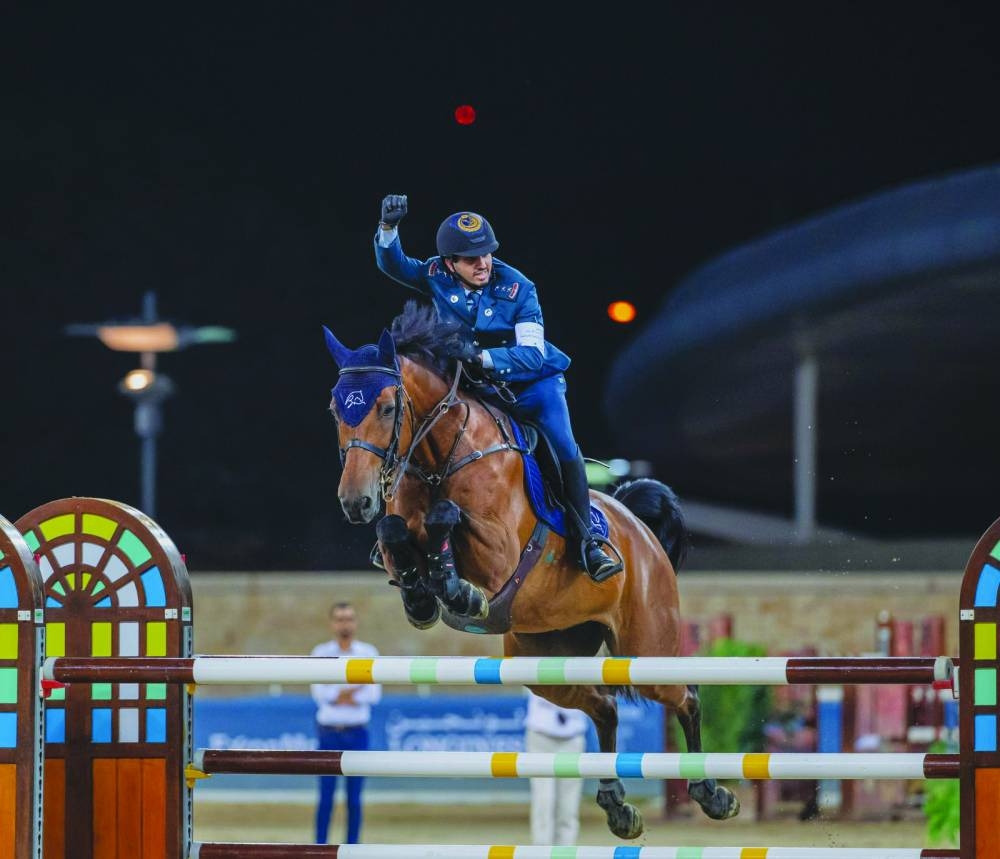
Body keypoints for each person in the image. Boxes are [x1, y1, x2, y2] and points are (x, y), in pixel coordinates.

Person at [373, 193, 622, 582]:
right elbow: (395, 265)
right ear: (449, 263)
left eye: (487, 254)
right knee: (425, 428)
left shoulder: (519, 288)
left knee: (562, 444)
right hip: (478, 388)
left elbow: (532, 357)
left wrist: (481, 358)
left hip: (532, 385)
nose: (483, 264)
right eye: (472, 259)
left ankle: (587, 539)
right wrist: (388, 229)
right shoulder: (437, 275)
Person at [310, 601, 382, 845]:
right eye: (340, 619)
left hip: (357, 733)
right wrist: (353, 691)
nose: (345, 623)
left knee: (354, 798)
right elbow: (319, 694)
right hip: (329, 733)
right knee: (326, 796)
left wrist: (338, 693)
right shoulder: (320, 653)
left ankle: (352, 848)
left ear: (356, 622)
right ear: (332, 623)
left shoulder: (369, 653)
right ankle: (320, 847)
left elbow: (373, 696)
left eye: (349, 618)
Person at [523, 690, 589, 845]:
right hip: (540, 735)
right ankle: (541, 854)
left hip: (573, 735)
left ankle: (565, 853)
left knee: (568, 807)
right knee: (543, 804)